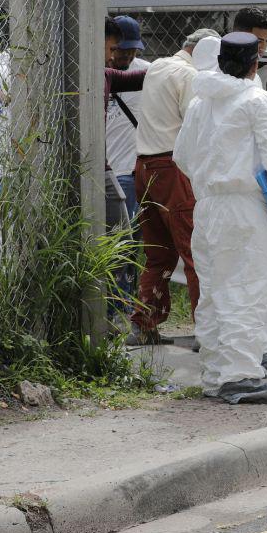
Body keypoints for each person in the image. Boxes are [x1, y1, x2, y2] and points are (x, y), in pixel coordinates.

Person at [174, 32, 267, 404]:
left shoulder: (201, 103)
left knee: (215, 292)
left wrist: (211, 176)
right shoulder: (257, 100)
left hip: (208, 207)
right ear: (254, 65)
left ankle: (216, 375)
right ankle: (242, 376)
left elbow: (182, 157)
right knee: (248, 290)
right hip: (245, 208)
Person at [128, 27, 219, 346]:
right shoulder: (191, 76)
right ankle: (205, 332)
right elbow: (196, 125)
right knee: (197, 252)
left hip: (143, 166)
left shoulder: (157, 66)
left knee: (158, 254)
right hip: (173, 166)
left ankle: (143, 325)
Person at [106, 16, 150, 313]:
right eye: (121, 49)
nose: (126, 55)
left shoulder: (146, 72)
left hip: (132, 170)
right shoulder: (100, 73)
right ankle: (110, 305)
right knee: (111, 243)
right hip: (107, 170)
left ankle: (122, 305)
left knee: (130, 243)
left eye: (132, 50)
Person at [233, 7, 267, 88]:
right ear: (237, 36)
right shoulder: (213, 71)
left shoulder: (256, 79)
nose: (263, 47)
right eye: (258, 41)